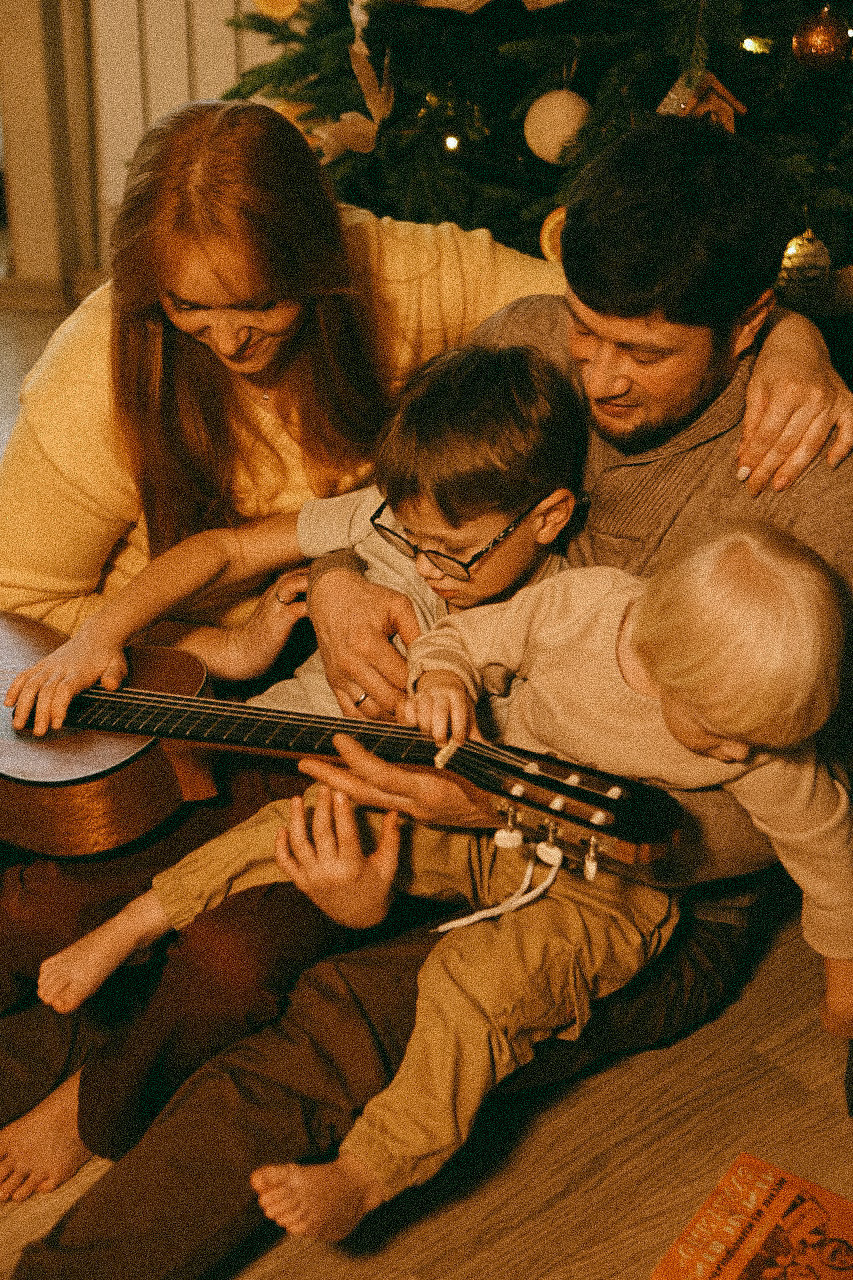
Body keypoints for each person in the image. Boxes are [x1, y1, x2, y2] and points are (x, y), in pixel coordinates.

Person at [6, 113, 853, 1278]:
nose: (596, 376)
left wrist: (483, 820)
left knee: (333, 1023)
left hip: (633, 871)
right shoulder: (533, 341)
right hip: (430, 738)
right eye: (587, 333)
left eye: (642, 355)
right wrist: (345, 585)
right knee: (104, 882)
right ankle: (85, 1060)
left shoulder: (814, 483)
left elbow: (774, 815)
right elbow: (391, 516)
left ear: (751, 321)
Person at [0, 343, 584, 1193]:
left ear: (547, 515)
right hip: (251, 755)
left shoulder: (561, 611)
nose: (423, 569)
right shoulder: (391, 516)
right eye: (406, 539)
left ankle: (98, 1110)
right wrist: (103, 635)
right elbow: (226, 553)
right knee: (42, 901)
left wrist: (372, 896)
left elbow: (509, 803)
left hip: (356, 824)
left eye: (451, 554)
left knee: (231, 959)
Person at [250, 525, 853, 1242]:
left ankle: (368, 1172)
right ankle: (139, 919)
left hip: (616, 892)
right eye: (727, 735)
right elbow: (462, 638)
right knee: (311, 815)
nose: (741, 756)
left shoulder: (770, 757)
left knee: (469, 986)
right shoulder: (583, 609)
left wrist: (841, 982)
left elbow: (833, 865)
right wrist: (442, 675)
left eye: (762, 743)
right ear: (660, 661)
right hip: (504, 816)